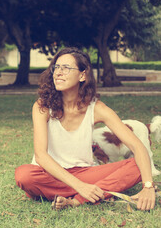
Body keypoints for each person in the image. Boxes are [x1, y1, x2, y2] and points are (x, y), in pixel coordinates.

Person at [15, 47, 156, 211]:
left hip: (84, 172)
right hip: (49, 173)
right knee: (24, 175)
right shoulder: (43, 106)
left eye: (66, 68)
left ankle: (74, 200)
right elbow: (41, 156)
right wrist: (80, 186)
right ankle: (85, 192)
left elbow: (137, 146)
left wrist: (148, 186)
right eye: (56, 67)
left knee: (138, 165)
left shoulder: (97, 109)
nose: (58, 73)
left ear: (82, 75)